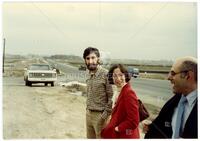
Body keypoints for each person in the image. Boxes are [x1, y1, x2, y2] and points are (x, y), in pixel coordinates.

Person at [143, 56, 197, 138]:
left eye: (173, 73)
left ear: (188, 75)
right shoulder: (173, 103)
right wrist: (153, 129)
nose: (168, 77)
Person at [101, 64, 140, 138]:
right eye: (115, 76)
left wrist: (118, 128)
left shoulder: (129, 93)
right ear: (111, 77)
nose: (118, 79)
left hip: (125, 135)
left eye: (121, 75)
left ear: (125, 75)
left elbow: (134, 121)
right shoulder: (118, 91)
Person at [83, 47, 113, 138]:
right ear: (85, 60)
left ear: (98, 59)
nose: (90, 61)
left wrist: (103, 117)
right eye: (88, 58)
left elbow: (112, 98)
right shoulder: (88, 73)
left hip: (100, 115)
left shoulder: (106, 74)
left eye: (93, 58)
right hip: (89, 114)